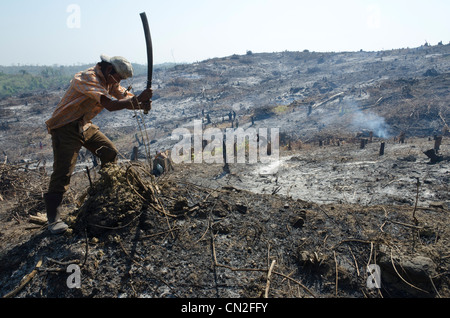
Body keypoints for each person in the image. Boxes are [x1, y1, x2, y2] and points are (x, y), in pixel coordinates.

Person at [44, 54, 153, 234]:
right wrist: (137, 100)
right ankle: (53, 220)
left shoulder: (110, 80)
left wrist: (142, 103)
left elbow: (124, 97)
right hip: (65, 127)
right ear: (109, 69)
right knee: (63, 172)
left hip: (83, 124)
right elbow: (110, 105)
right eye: (119, 78)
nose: (118, 82)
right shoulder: (87, 77)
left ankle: (106, 192)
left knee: (109, 152)